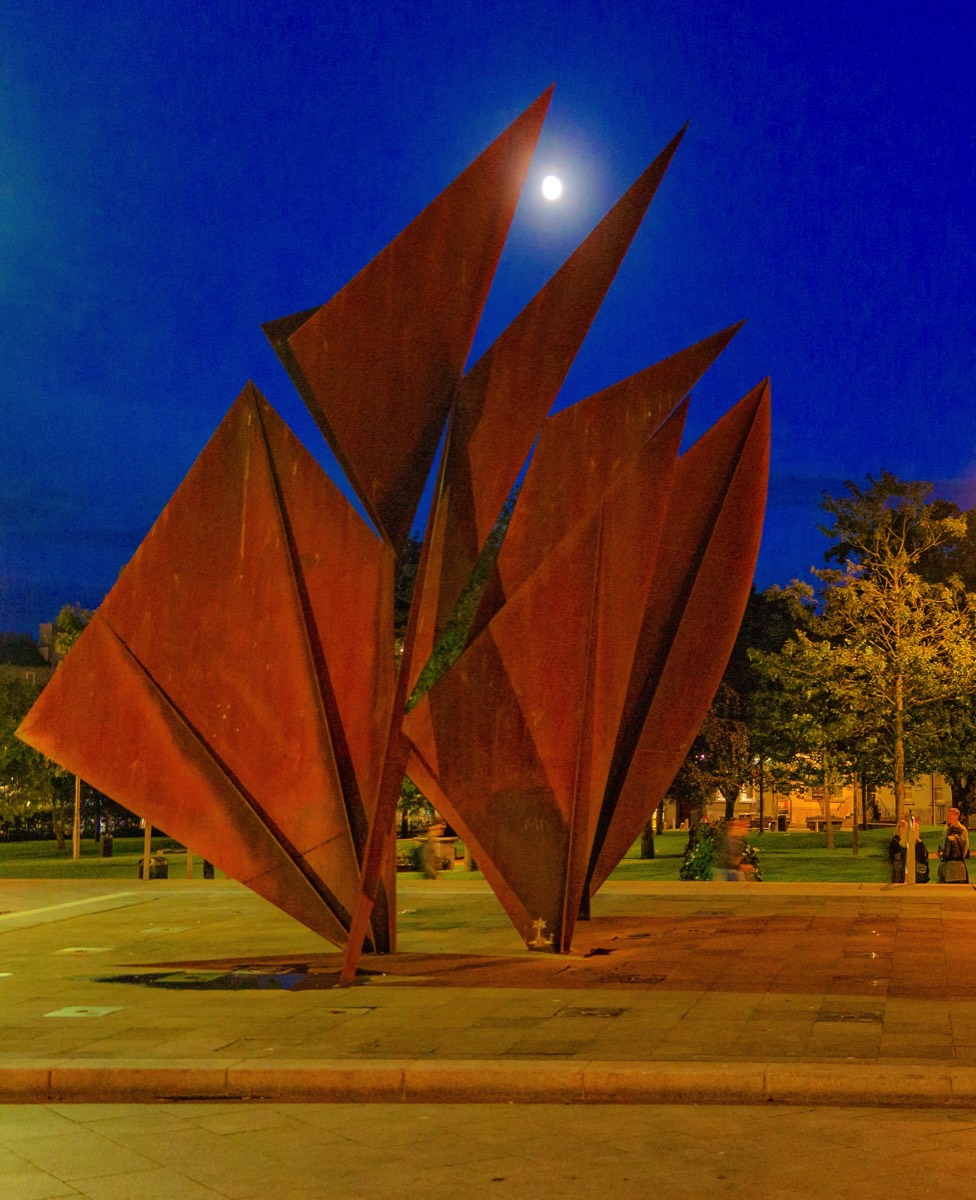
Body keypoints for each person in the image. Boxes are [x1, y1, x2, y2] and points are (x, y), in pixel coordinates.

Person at [938, 808, 969, 884]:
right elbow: (942, 843)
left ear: (957, 816)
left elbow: (965, 847)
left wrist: (958, 857)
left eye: (950, 815)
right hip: (944, 862)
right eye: (948, 815)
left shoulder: (962, 829)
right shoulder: (946, 828)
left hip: (954, 863)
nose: (948, 817)